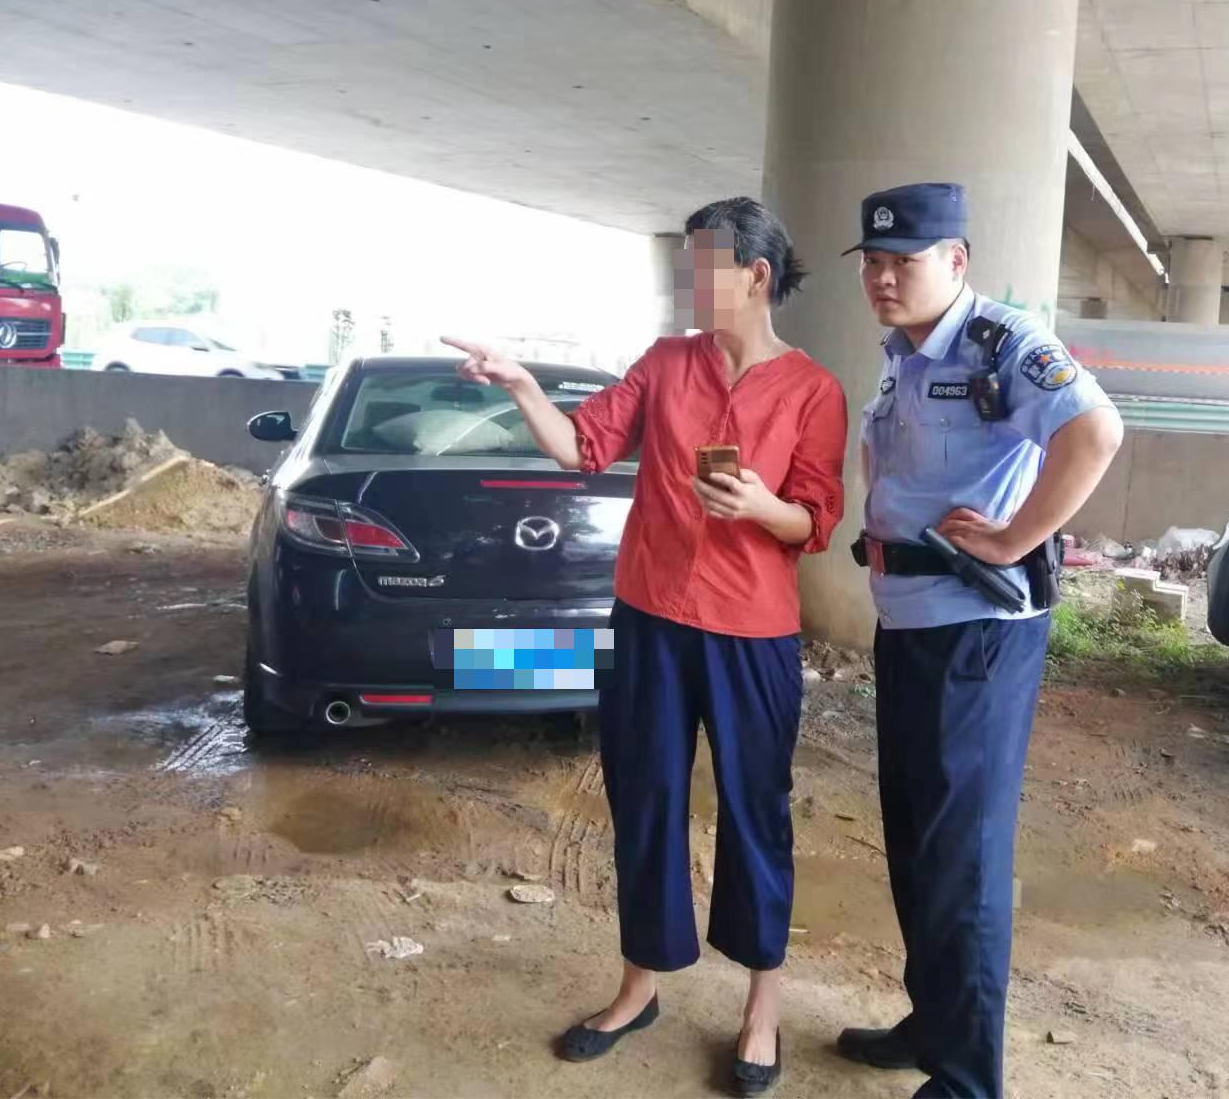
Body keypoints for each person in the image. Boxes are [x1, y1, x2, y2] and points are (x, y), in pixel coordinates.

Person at [443, 196, 847, 1097]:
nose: (686, 283)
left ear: (756, 276)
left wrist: (762, 507)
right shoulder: (666, 364)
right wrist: (521, 385)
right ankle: (641, 986)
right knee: (645, 798)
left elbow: (816, 521)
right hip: (651, 619)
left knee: (755, 810)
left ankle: (762, 1007)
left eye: (703, 267)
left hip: (752, 633)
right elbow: (581, 447)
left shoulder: (812, 389)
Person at [834, 183, 1124, 1099]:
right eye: (873, 263)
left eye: (904, 261)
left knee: (963, 857)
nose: (883, 278)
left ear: (955, 261)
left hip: (977, 636)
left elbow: (1095, 432)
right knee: (917, 841)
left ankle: (966, 1081)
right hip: (910, 624)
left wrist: (1013, 539)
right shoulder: (902, 356)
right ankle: (934, 1023)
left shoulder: (1004, 344)